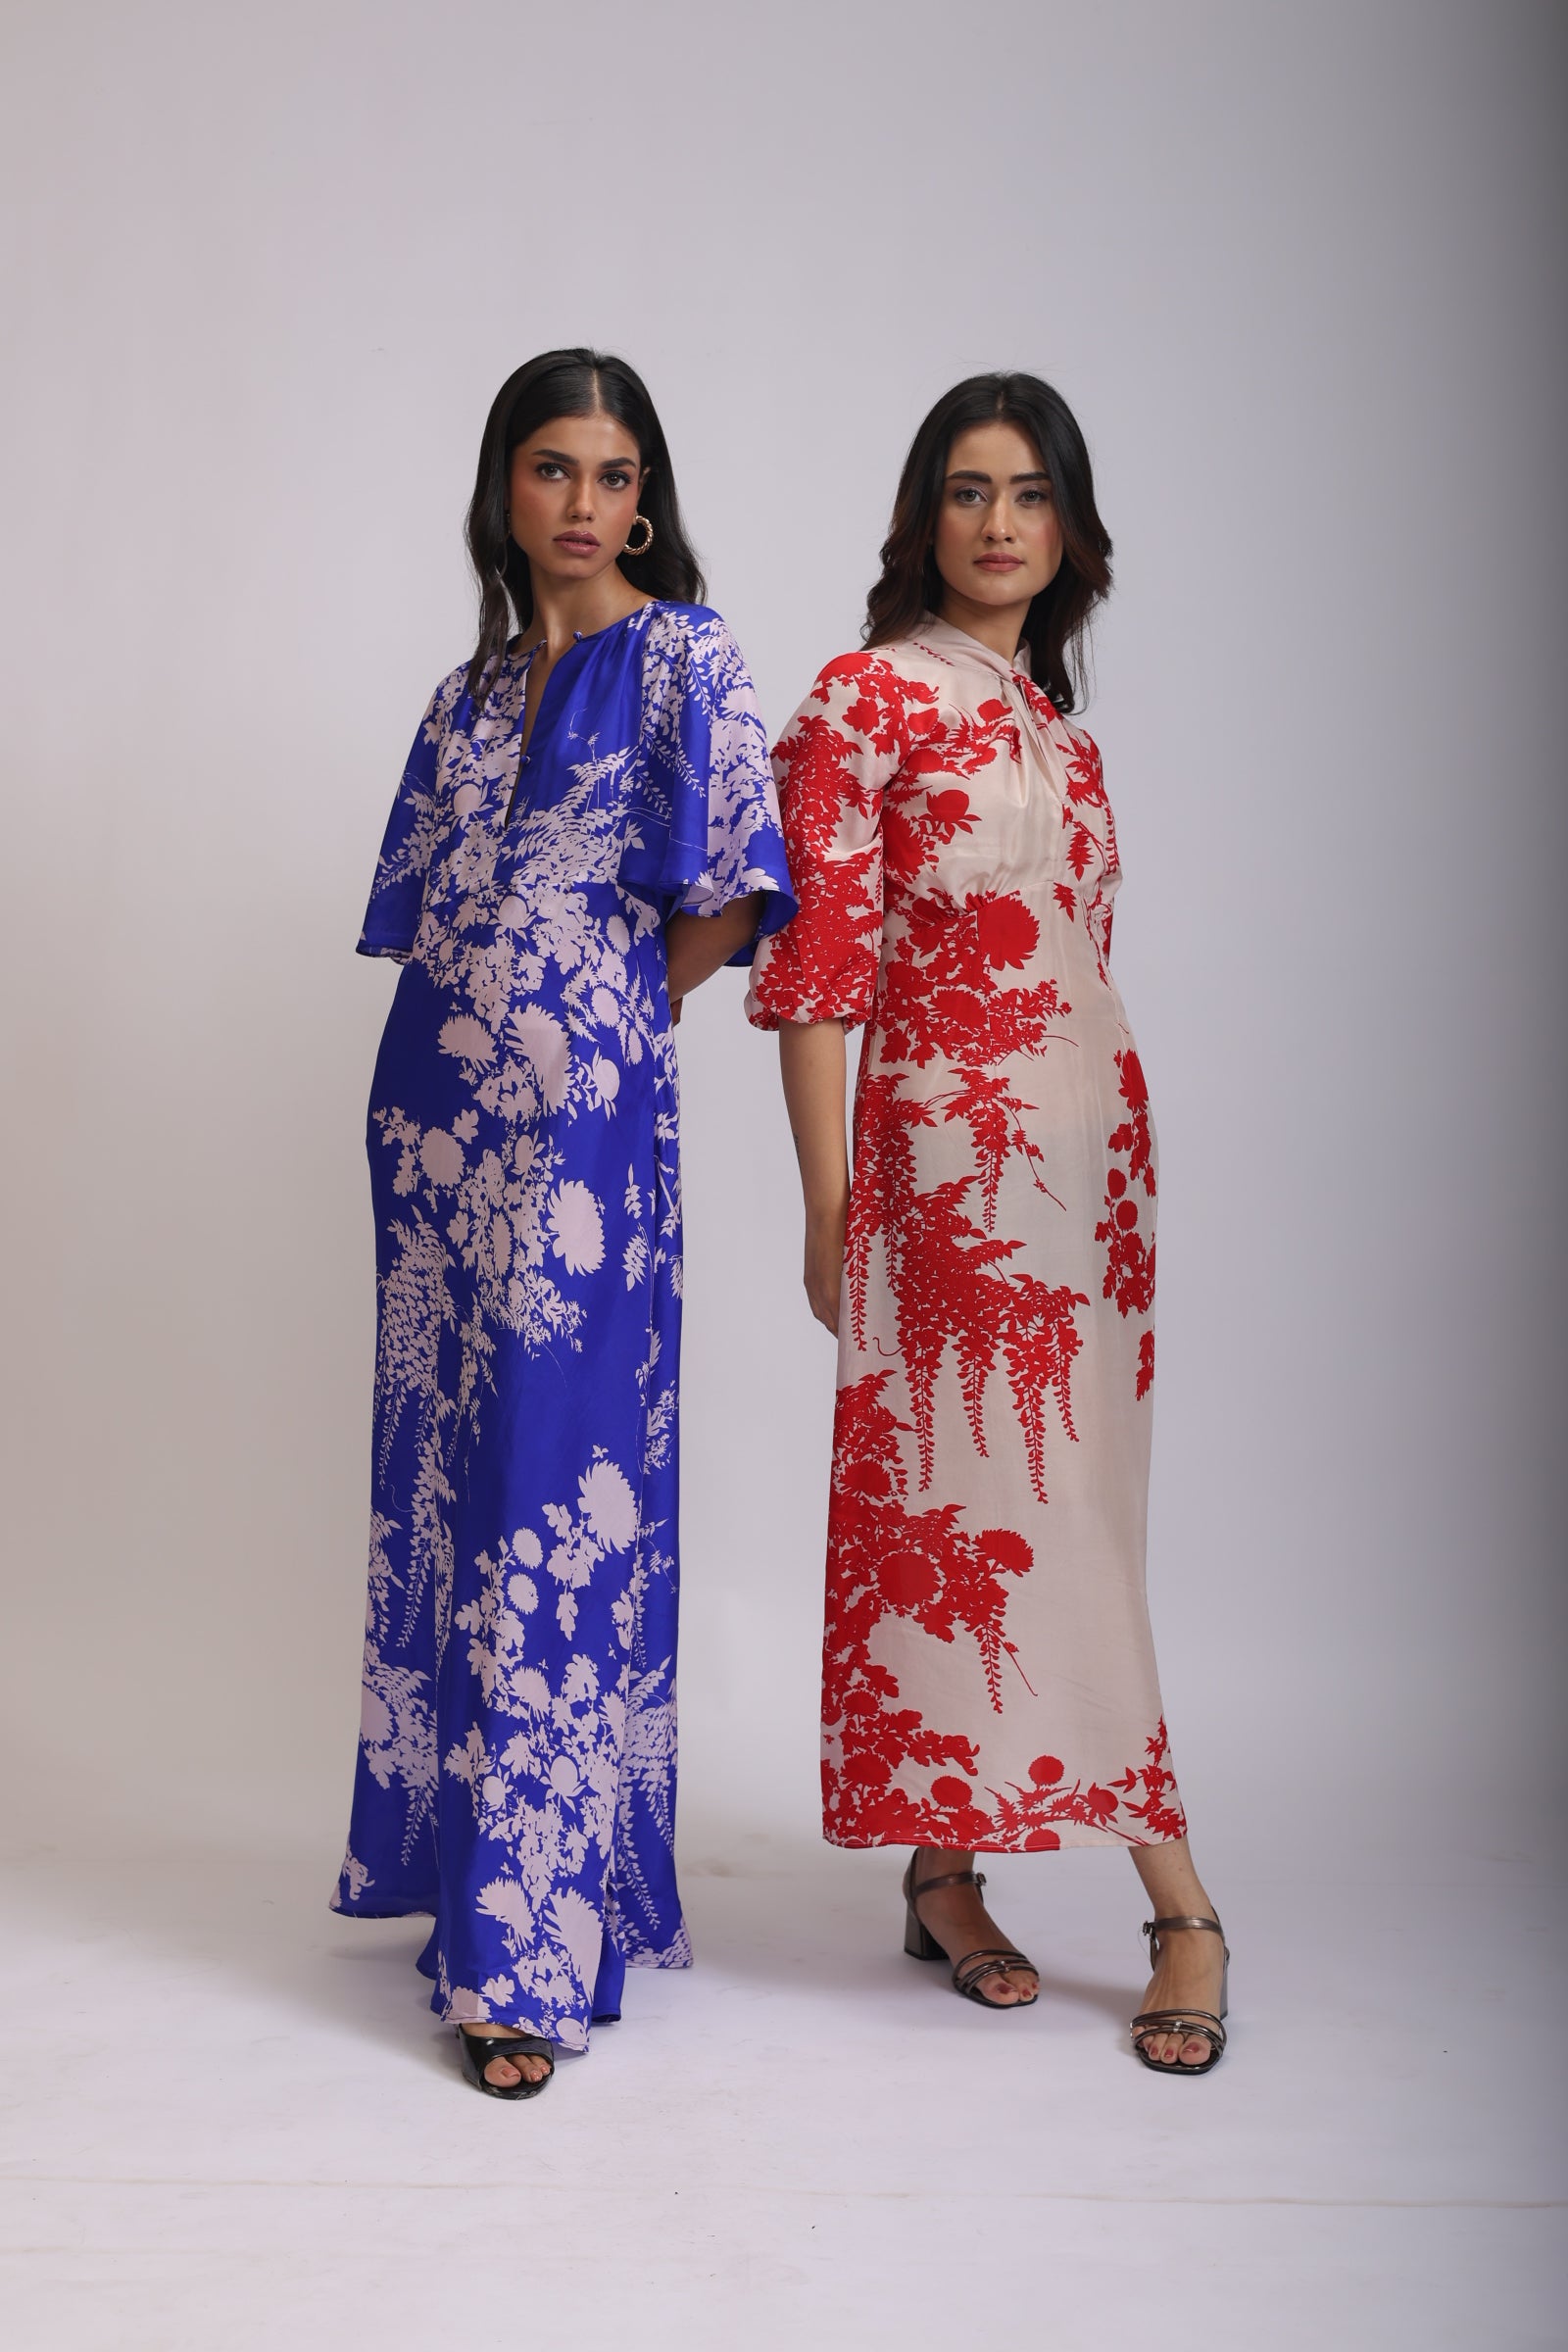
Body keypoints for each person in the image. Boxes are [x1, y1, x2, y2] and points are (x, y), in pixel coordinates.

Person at [747, 372, 1229, 2073]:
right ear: (921, 518)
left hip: (1096, 1176)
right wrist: (829, 1203)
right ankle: (1180, 1903)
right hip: (946, 1174)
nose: (1000, 523)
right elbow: (816, 972)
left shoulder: (1064, 737)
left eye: (1030, 494)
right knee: (995, 1514)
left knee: (1076, 1506)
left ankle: (942, 1873)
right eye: (969, 490)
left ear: (1071, 529)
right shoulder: (862, 699)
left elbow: (1079, 960)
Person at [333, 349, 795, 2096]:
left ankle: (528, 1952)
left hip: (586, 1152)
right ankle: (473, 1887)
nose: (583, 502)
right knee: (454, 1488)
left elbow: (741, 889)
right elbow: (427, 923)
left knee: (556, 1493)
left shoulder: (686, 659)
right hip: (431, 1140)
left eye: (612, 474)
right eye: (552, 468)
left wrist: (611, 1018)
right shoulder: (461, 700)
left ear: (644, 500)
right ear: (505, 490)